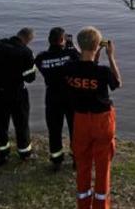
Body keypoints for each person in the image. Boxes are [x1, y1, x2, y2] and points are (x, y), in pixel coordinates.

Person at [63, 26, 122, 209]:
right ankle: (100, 205)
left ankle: (83, 203)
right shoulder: (102, 72)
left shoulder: (69, 68)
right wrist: (110, 56)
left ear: (79, 46)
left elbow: (85, 71)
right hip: (102, 120)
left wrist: (94, 56)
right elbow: (117, 82)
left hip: (80, 119)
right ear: (98, 46)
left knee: (83, 163)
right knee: (103, 166)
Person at [0, 27, 36, 165]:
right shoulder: (26, 52)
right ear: (28, 39)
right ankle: (24, 154)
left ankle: (3, 154)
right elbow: (30, 78)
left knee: (0, 124)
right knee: (21, 124)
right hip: (17, 94)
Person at [35, 27, 80, 170]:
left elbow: (43, 67)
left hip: (52, 96)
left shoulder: (41, 57)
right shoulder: (71, 53)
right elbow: (82, 64)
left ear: (49, 40)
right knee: (75, 129)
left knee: (54, 129)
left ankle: (56, 160)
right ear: (62, 40)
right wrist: (72, 47)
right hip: (71, 96)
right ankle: (77, 160)